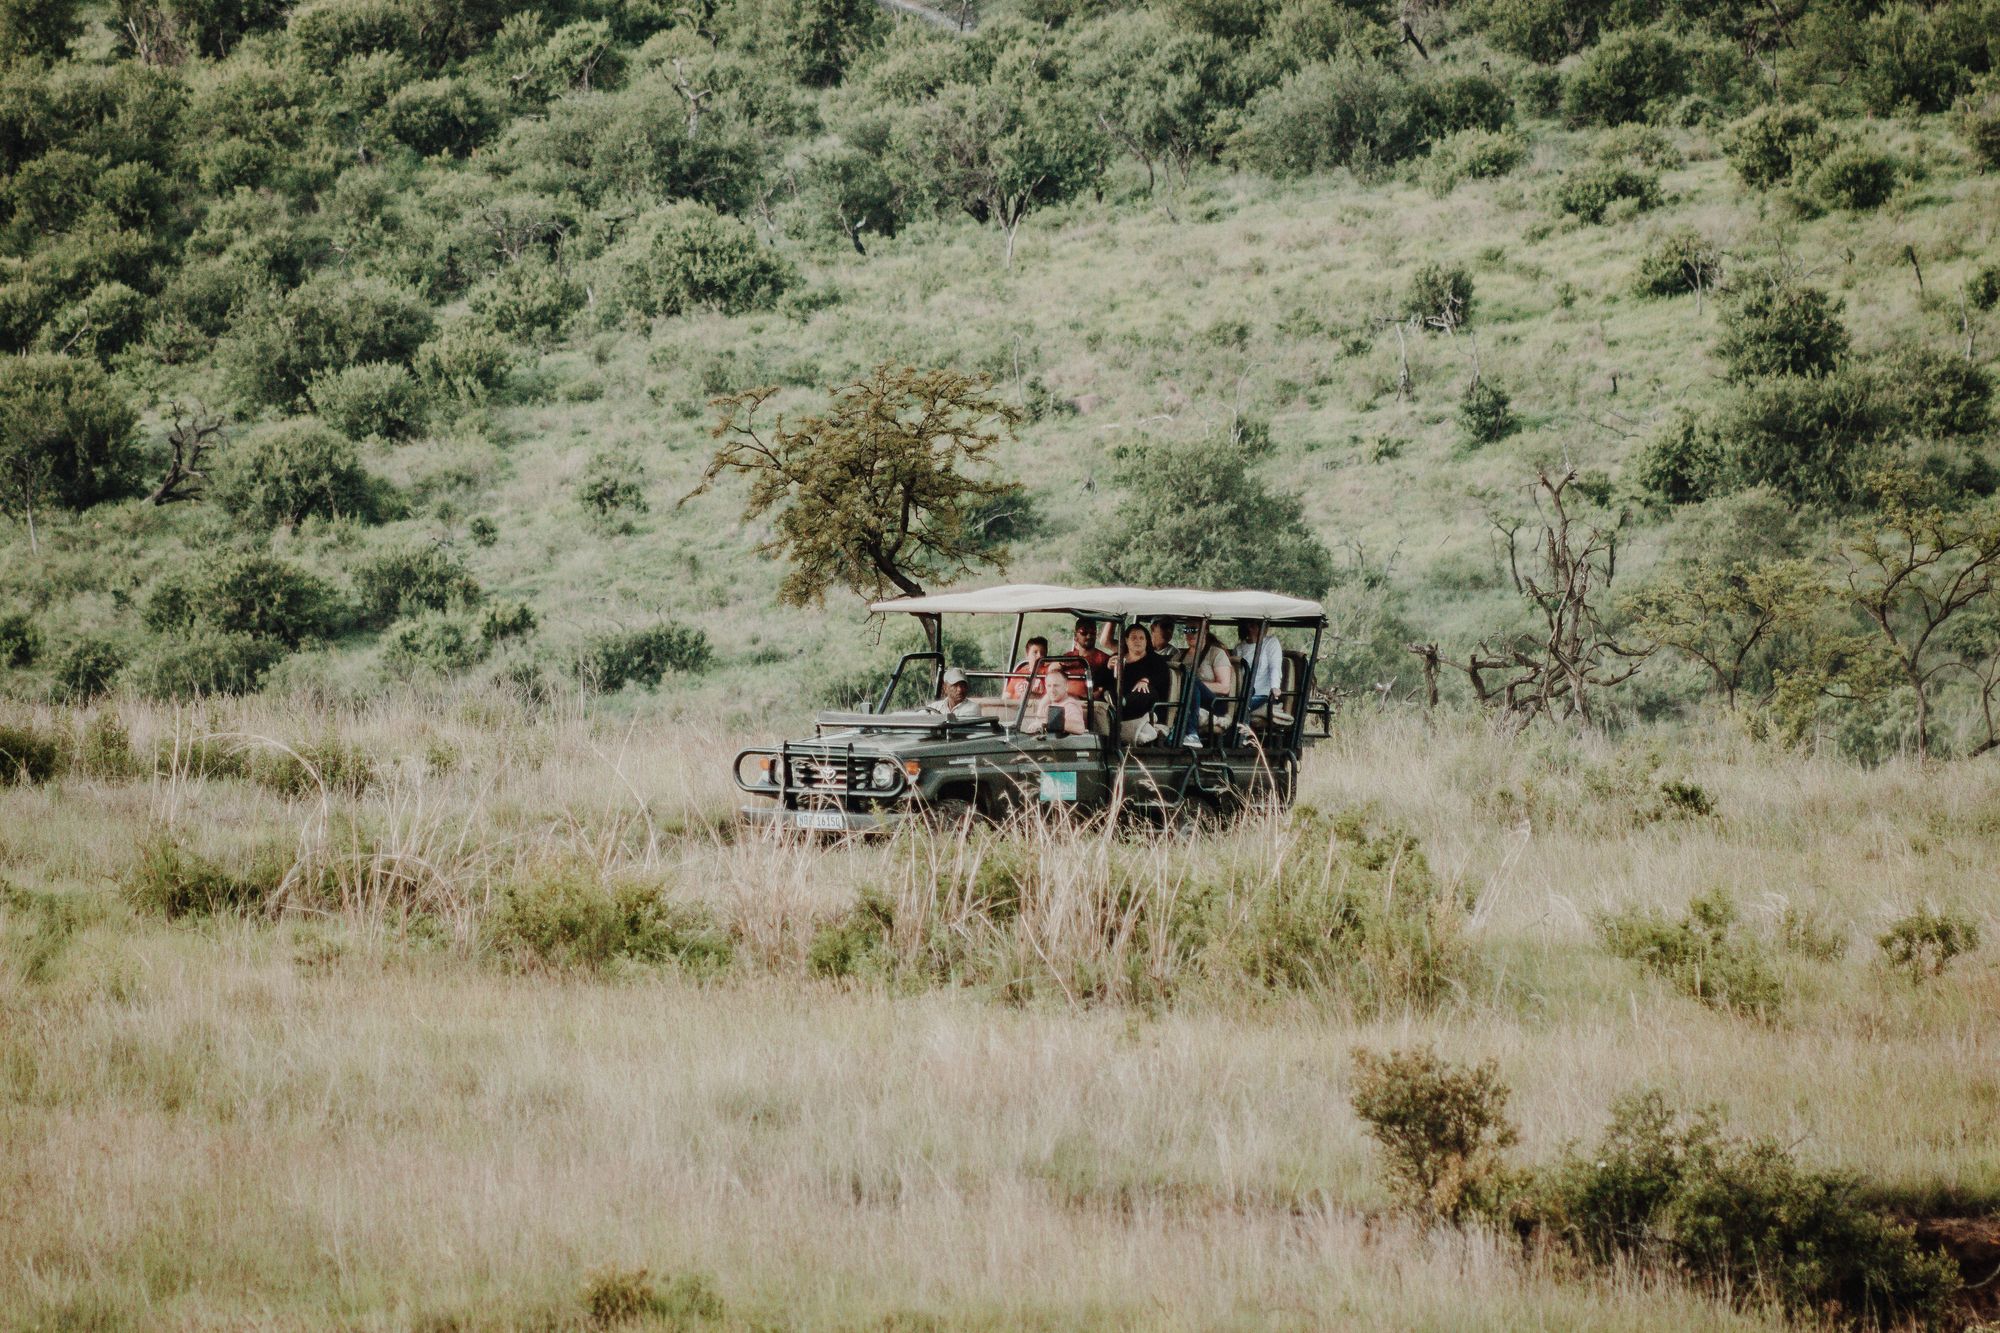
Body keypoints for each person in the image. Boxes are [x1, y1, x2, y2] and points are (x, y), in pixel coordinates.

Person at [1177, 621, 1235, 748]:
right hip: (1184, 699)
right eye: (1186, 630)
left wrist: (1195, 684)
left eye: (1194, 630)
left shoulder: (1216, 653)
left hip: (1214, 703)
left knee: (1192, 682)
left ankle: (1192, 734)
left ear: (1205, 631)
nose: (1189, 634)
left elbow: (1224, 687)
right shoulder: (1179, 656)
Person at [1113, 623, 1171, 744]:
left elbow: (1162, 677)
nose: (1137, 641)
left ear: (1146, 641)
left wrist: (1146, 680)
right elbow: (1105, 679)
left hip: (1148, 702)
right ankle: (1117, 702)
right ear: (1126, 640)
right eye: (1134, 638)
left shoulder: (1156, 660)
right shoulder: (1118, 658)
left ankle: (1122, 703)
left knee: (1144, 690)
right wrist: (1108, 667)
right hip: (1120, 696)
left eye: (1141, 638)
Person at [1235, 621, 1285, 737]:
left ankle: (1242, 738)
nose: (1267, 628)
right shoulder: (1240, 648)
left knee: (1242, 706)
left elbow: (1275, 666)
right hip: (1243, 693)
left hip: (1262, 694)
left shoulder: (1270, 643)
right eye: (1263, 625)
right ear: (1250, 626)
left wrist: (1275, 686)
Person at [1024, 661, 1086, 736]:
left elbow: (1079, 728)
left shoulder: (1070, 705)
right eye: (1049, 686)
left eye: (1056, 686)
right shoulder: (1048, 702)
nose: (1052, 690)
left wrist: (1046, 723)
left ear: (1066, 686)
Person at [1004, 636, 1049, 702]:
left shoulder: (1049, 673)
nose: (1039, 656)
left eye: (1042, 653)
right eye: (1035, 652)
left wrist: (1031, 695)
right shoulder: (1019, 674)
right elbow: (1007, 696)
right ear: (1027, 655)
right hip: (1015, 708)